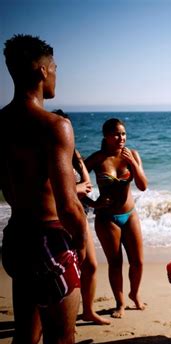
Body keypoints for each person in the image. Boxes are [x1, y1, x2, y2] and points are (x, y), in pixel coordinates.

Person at [0, 34, 88, 344]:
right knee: (61, 340)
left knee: (25, 335)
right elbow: (67, 206)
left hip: (16, 237)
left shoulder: (1, 122)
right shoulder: (54, 125)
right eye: (54, 68)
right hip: (50, 239)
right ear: (42, 71)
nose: (55, 75)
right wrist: (80, 244)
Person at [52, 109, 111, 326]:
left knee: (91, 266)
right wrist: (74, 189)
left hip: (81, 216)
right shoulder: (53, 154)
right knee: (73, 267)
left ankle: (87, 310)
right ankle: (64, 313)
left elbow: (87, 185)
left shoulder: (72, 154)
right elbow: (52, 189)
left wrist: (77, 158)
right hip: (62, 219)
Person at [85, 118, 148, 319]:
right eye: (116, 134)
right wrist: (92, 202)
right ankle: (120, 303)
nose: (121, 138)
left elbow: (143, 185)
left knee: (137, 261)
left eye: (123, 134)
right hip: (107, 218)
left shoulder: (132, 154)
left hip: (130, 214)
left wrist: (133, 164)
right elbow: (70, 181)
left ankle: (135, 294)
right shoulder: (97, 159)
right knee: (115, 263)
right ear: (105, 136)